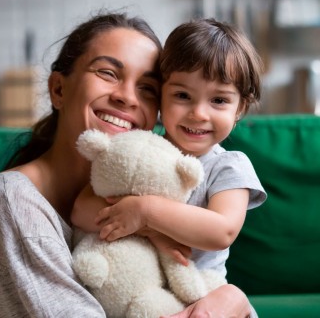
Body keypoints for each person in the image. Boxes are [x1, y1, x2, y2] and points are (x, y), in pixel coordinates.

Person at [0, 12, 255, 317]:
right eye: (108, 73)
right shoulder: (9, 204)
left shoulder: (156, 177)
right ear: (58, 89)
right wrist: (234, 302)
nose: (128, 98)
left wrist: (233, 301)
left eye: (147, 88)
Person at [72, 18, 267, 317]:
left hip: (204, 293)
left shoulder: (228, 165)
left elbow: (222, 231)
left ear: (240, 107)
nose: (198, 113)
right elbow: (82, 209)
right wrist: (152, 233)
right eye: (182, 96)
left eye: (218, 100)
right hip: (145, 296)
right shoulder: (139, 150)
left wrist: (147, 212)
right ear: (161, 94)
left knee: (228, 296)